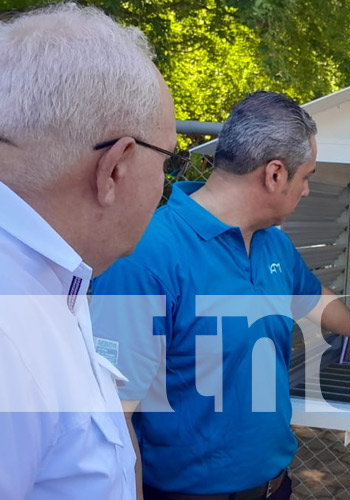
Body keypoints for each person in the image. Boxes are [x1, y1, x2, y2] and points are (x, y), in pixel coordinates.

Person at [90, 91, 350, 500]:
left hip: (273, 486)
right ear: (275, 174)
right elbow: (113, 416)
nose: (306, 191)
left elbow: (311, 297)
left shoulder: (272, 245)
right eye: (307, 177)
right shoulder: (146, 257)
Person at [0, 3, 177, 499]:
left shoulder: (50, 281)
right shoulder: (12, 326)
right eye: (168, 160)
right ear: (116, 168)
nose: (165, 181)